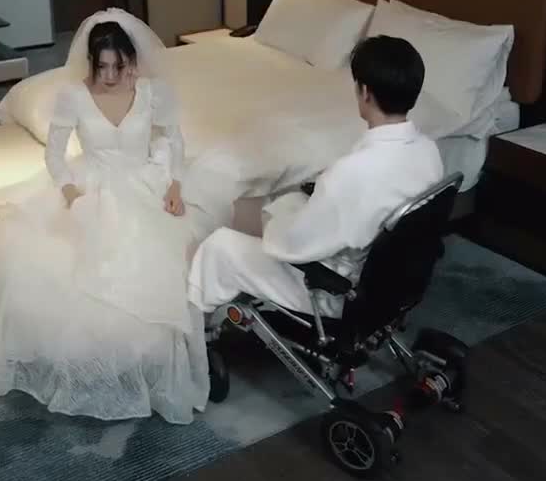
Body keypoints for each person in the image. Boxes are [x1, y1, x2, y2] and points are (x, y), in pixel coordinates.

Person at [0, 10, 208, 424]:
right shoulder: (73, 96)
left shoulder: (153, 93)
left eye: (118, 66)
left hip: (142, 183)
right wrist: (70, 192)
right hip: (88, 184)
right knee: (53, 264)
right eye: (101, 66)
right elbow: (54, 154)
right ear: (91, 62)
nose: (108, 76)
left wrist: (175, 185)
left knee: (154, 264)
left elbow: (175, 141)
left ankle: (139, 364)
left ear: (132, 61)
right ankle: (82, 367)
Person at [187, 35, 445, 319]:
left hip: (337, 292)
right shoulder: (428, 150)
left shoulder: (353, 172)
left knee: (221, 245)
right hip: (393, 283)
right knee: (291, 204)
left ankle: (203, 328)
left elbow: (293, 245)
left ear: (365, 92)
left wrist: (275, 220)